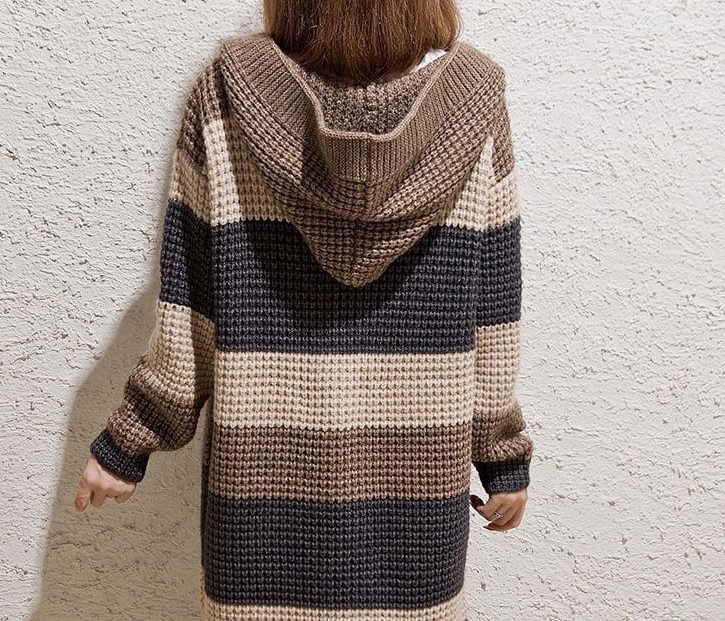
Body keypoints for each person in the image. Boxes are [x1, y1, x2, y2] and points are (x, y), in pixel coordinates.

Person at [74, 1, 533, 619]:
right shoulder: (472, 107)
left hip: (260, 494)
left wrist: (128, 444)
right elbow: (493, 315)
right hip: (416, 499)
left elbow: (189, 311)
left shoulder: (229, 95)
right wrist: (502, 456)